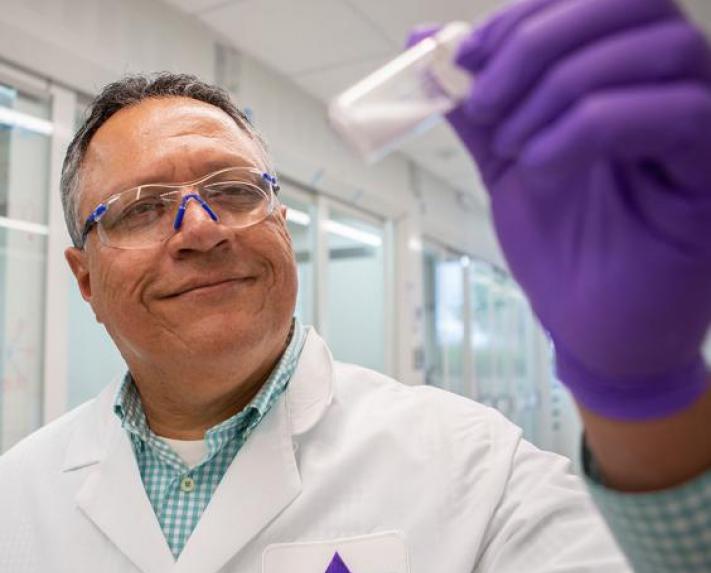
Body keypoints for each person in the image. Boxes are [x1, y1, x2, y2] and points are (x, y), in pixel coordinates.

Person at [0, 1, 709, 573]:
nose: (202, 228)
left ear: (280, 221)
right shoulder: (16, 495)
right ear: (85, 278)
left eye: (233, 189)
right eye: (144, 207)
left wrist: (645, 397)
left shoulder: (472, 463)